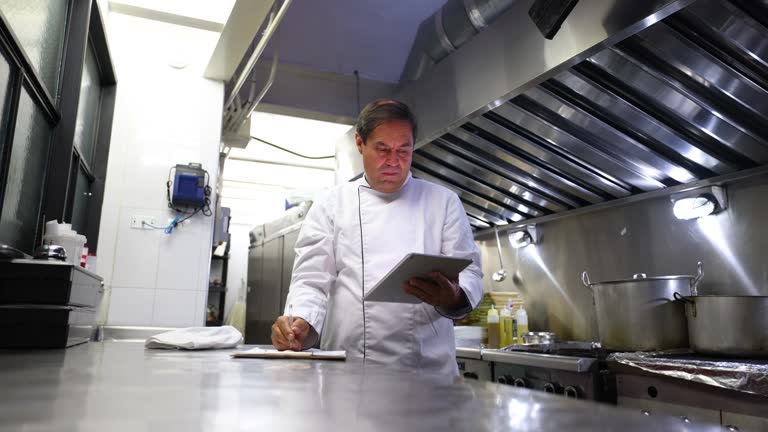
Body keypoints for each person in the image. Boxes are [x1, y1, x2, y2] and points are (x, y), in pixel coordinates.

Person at [270, 99, 482, 375]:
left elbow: (470, 273)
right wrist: (299, 325)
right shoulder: (331, 205)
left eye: (404, 151)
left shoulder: (443, 203)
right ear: (360, 144)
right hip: (349, 372)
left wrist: (452, 296)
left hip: (425, 374)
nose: (393, 161)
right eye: (382, 149)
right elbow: (311, 280)